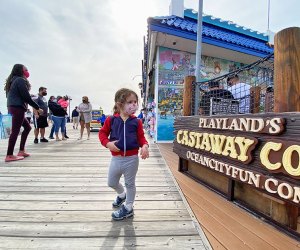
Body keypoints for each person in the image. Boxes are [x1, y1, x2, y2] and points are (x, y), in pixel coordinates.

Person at [99, 88, 149, 220]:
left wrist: (145, 146)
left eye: (135, 102)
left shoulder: (136, 122)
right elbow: (102, 133)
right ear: (119, 104)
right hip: (116, 159)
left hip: (132, 159)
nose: (134, 105)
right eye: (130, 102)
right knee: (111, 182)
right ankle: (122, 195)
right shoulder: (111, 120)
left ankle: (128, 207)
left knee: (130, 184)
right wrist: (108, 144)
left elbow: (141, 138)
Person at [4, 64, 43, 162]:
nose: (27, 71)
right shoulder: (20, 80)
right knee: (15, 131)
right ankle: (9, 155)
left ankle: (21, 150)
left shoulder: (12, 81)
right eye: (26, 69)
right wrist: (37, 108)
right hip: (17, 108)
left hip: (13, 107)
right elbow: (26, 97)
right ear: (21, 70)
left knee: (27, 127)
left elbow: (19, 95)